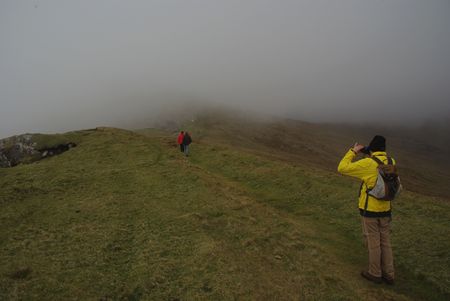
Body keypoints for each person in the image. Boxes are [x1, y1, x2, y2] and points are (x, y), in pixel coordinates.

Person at [337, 135, 395, 285]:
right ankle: (389, 274)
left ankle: (375, 273)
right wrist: (369, 152)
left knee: (373, 242)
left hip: (371, 210)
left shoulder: (368, 163)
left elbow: (342, 167)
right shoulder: (391, 161)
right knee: (386, 242)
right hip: (386, 208)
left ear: (372, 148)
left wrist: (353, 151)